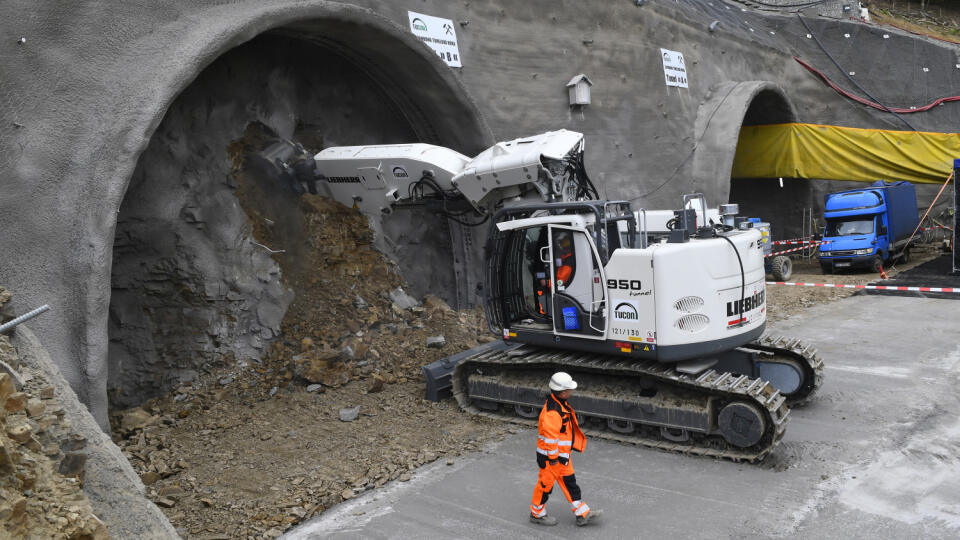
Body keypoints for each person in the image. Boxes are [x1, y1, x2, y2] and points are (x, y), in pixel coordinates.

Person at [529, 372, 602, 527]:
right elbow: (550, 439)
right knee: (545, 486)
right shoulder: (553, 412)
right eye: (569, 390)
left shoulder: (560, 405)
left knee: (570, 483)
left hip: (561, 457)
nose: (571, 392)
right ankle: (536, 514)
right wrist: (554, 459)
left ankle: (582, 513)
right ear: (562, 393)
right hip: (551, 459)